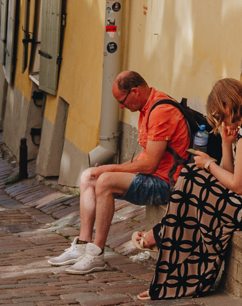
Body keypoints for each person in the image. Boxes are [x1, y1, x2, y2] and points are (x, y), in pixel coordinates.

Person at [146, 79, 242, 301]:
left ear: (227, 105)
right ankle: (169, 254)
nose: (221, 120)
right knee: (191, 177)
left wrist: (208, 164)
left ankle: (166, 242)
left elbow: (239, 186)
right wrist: (225, 143)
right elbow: (230, 175)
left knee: (193, 178)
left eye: (219, 115)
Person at [49, 71, 186, 273]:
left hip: (166, 184)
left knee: (105, 181)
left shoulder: (160, 111)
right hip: (152, 177)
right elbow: (146, 155)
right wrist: (113, 169)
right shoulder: (148, 107)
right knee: (88, 177)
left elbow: (150, 166)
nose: (122, 106)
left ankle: (96, 253)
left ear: (135, 92)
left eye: (122, 101)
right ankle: (82, 245)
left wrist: (111, 168)